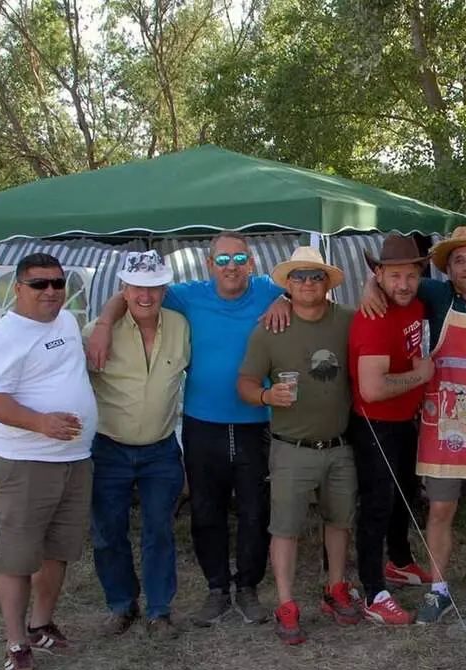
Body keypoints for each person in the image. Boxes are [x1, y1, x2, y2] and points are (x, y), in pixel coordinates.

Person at [87, 231, 290, 627]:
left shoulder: (269, 290)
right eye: (222, 260)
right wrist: (103, 323)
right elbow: (134, 291)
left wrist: (285, 298)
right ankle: (217, 589)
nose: (231, 267)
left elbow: (314, 291)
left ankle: (247, 588)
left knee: (254, 510)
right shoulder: (186, 296)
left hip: (256, 423)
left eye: (238, 259)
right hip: (202, 423)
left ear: (251, 263)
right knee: (205, 509)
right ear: (208, 265)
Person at [362, 226, 466, 622]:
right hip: (441, 420)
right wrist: (368, 285)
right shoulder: (435, 294)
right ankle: (439, 589)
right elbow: (391, 280)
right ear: (447, 268)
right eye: (458, 260)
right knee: (441, 508)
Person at [0, 253, 99, 670]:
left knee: (57, 550)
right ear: (18, 287)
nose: (50, 291)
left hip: (73, 460)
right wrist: (40, 422)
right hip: (26, 462)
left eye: (58, 283)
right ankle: (16, 646)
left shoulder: (64, 321)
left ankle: (41, 625)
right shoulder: (1, 336)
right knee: (18, 558)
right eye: (39, 284)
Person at [238, 247, 360, 645]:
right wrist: (266, 398)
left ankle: (336, 588)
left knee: (339, 521)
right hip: (291, 446)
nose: (308, 282)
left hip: (340, 445)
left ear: (328, 283)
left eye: (316, 276)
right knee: (285, 528)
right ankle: (287, 604)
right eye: (299, 276)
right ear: (287, 284)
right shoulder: (268, 329)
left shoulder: (348, 320)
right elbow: (246, 384)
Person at [83, 251, 189, 640]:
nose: (146, 295)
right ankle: (121, 605)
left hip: (161, 449)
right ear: (123, 289)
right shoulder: (96, 331)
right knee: (109, 531)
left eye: (154, 287)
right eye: (137, 287)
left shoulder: (180, 325)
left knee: (159, 530)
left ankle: (159, 611)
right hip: (109, 448)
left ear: (164, 289)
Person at [347, 234, 434, 626]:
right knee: (377, 505)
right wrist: (420, 377)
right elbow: (373, 388)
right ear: (378, 274)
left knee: (405, 496)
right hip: (374, 424)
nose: (403, 284)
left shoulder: (415, 304)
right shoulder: (374, 318)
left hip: (403, 420)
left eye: (410, 275)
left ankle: (399, 561)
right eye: (393, 275)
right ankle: (373, 592)